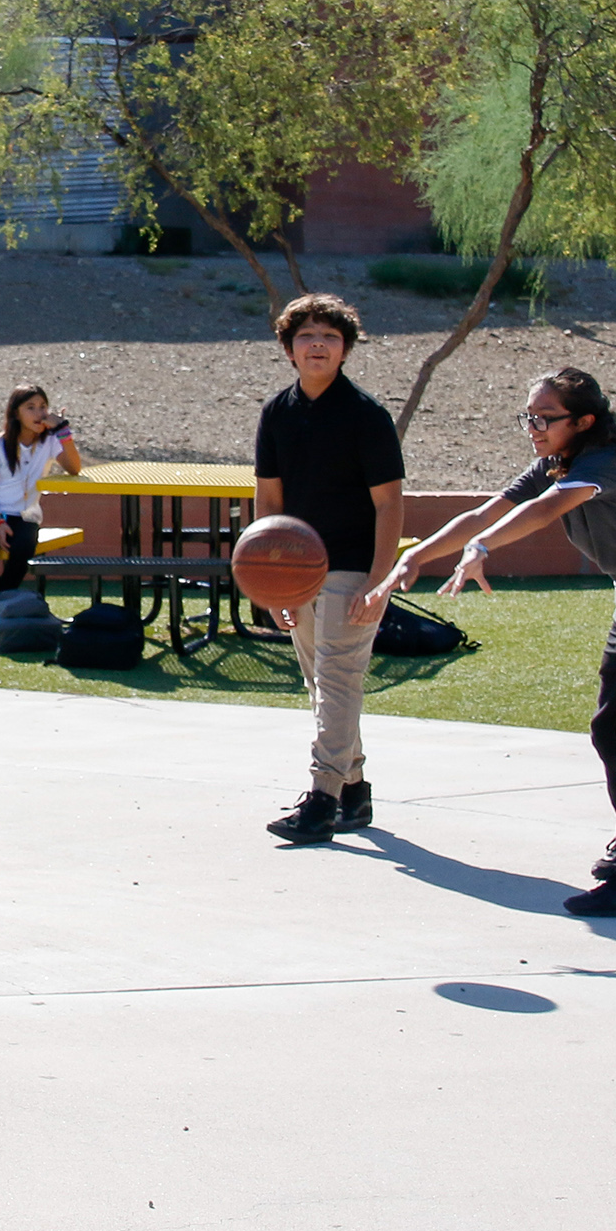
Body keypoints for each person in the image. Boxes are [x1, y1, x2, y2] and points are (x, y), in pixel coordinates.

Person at [394, 367, 616, 917]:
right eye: (529, 416)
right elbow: (486, 511)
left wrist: (482, 548)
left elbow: (545, 510)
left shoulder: (607, 463)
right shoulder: (556, 463)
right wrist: (418, 554)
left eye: (545, 418)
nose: (533, 427)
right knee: (607, 727)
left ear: (584, 421)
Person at [254, 294, 409, 845]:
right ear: (289, 348)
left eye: (329, 336)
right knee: (323, 683)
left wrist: (379, 579)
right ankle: (354, 792)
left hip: (353, 567)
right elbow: (268, 502)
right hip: (297, 569)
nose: (317, 344)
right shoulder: (276, 413)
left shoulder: (366, 416)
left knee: (339, 678)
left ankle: (321, 800)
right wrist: (270, 580)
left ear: (344, 349)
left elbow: (390, 504)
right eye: (306, 336)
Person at [0, 384, 84, 594]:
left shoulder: (49, 440)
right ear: (16, 413)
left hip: (25, 516)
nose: (39, 413)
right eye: (30, 407)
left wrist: (63, 431)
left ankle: (2, 602)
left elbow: (74, 468)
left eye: (43, 407)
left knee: (22, 548)